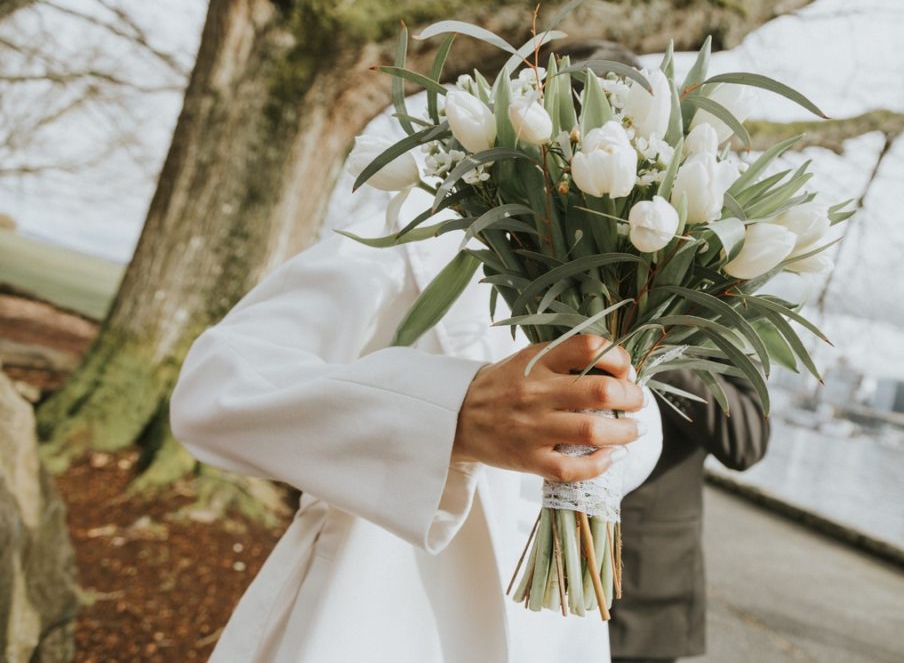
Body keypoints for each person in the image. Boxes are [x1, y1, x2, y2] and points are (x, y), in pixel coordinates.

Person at [168, 105, 664, 661]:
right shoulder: (414, 232)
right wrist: (450, 416)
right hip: (366, 615)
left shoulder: (647, 288)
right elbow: (217, 384)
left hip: (554, 634)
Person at [610, 371, 770, 662]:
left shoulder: (728, 330)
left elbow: (746, 441)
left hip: (643, 593)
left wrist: (661, 354)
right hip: (530, 555)